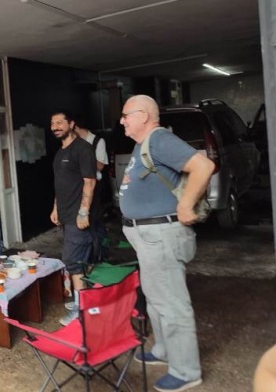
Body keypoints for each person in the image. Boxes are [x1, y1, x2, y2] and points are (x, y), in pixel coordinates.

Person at [119, 95, 215, 392]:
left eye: (125, 115)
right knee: (156, 297)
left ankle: (186, 371)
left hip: (161, 236)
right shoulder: (143, 144)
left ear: (144, 115)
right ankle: (163, 350)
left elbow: (203, 166)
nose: (121, 120)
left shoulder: (159, 139)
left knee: (172, 304)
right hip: (148, 238)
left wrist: (186, 205)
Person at [49, 110, 96, 326]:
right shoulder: (60, 153)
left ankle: (81, 310)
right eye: (53, 123)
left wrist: (83, 212)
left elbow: (89, 182)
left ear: (71, 124)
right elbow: (61, 184)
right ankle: (84, 299)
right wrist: (56, 208)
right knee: (76, 261)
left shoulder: (83, 149)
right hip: (66, 216)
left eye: (60, 122)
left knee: (73, 262)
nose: (56, 126)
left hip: (78, 217)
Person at [74, 117, 110, 263]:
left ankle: (101, 254)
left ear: (75, 127)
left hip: (94, 186)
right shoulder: (74, 143)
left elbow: (101, 165)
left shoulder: (97, 141)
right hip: (78, 186)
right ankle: (85, 254)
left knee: (95, 220)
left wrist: (84, 160)